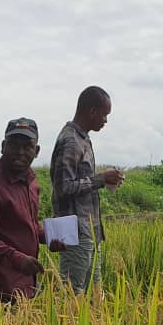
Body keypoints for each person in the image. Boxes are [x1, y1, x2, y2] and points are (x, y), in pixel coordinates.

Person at [0, 118, 66, 302]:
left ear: (36, 151)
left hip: (25, 284)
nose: (20, 152)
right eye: (13, 145)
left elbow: (27, 226)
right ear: (3, 146)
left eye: (27, 146)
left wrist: (50, 237)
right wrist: (17, 258)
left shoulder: (31, 183)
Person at [50, 86, 124, 294]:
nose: (105, 121)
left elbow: (80, 181)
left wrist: (105, 180)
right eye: (104, 115)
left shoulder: (82, 138)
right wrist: (100, 179)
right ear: (92, 111)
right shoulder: (71, 141)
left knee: (94, 291)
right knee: (73, 294)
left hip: (88, 230)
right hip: (74, 230)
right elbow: (63, 187)